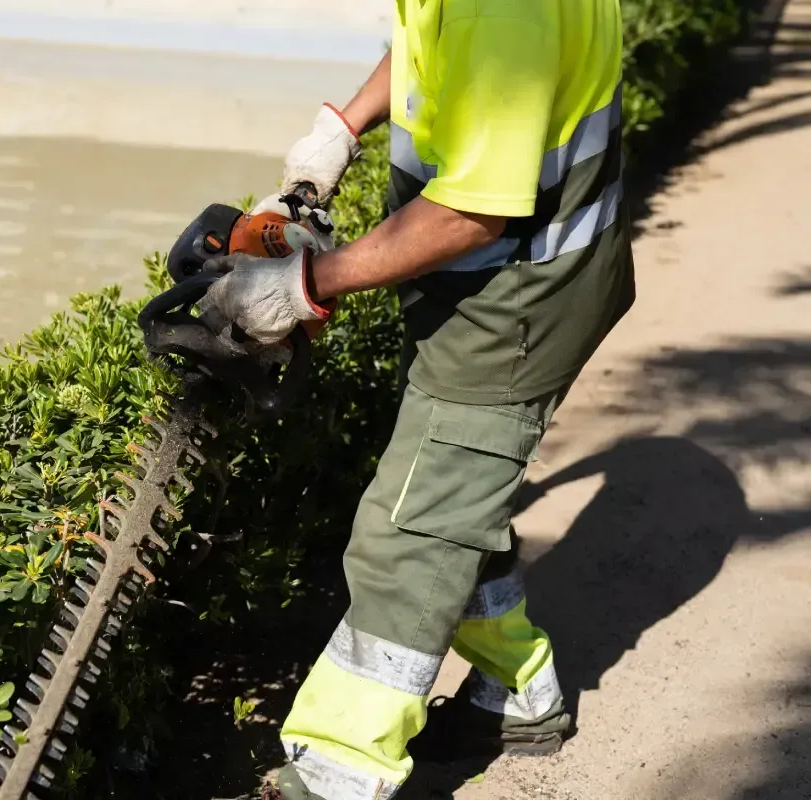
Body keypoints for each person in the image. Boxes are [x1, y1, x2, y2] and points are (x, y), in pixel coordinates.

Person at [200, 0, 636, 798]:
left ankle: (334, 774)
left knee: (408, 534)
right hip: (501, 281)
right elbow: (432, 50)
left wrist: (302, 284)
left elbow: (474, 212)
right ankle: (517, 692)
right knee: (449, 491)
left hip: (518, 299)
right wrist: (341, 129)